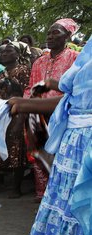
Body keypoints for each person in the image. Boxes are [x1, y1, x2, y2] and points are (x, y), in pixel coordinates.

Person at [8, 36, 92, 235]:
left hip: (87, 154)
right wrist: (27, 104)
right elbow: (75, 101)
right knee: (62, 230)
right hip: (73, 152)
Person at [25, 18, 80, 202]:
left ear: (68, 36)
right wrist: (27, 106)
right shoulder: (38, 62)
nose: (50, 36)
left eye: (56, 32)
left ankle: (62, 194)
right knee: (40, 152)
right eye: (49, 32)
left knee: (62, 153)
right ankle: (43, 193)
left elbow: (77, 86)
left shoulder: (75, 58)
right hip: (38, 113)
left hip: (64, 113)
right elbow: (31, 87)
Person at [0, 42, 32, 197]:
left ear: (18, 54)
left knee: (16, 148)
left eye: (9, 51)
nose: (4, 53)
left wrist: (21, 119)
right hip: (2, 113)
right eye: (3, 51)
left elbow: (27, 94)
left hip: (17, 113)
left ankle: (16, 187)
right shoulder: (1, 73)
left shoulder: (24, 70)